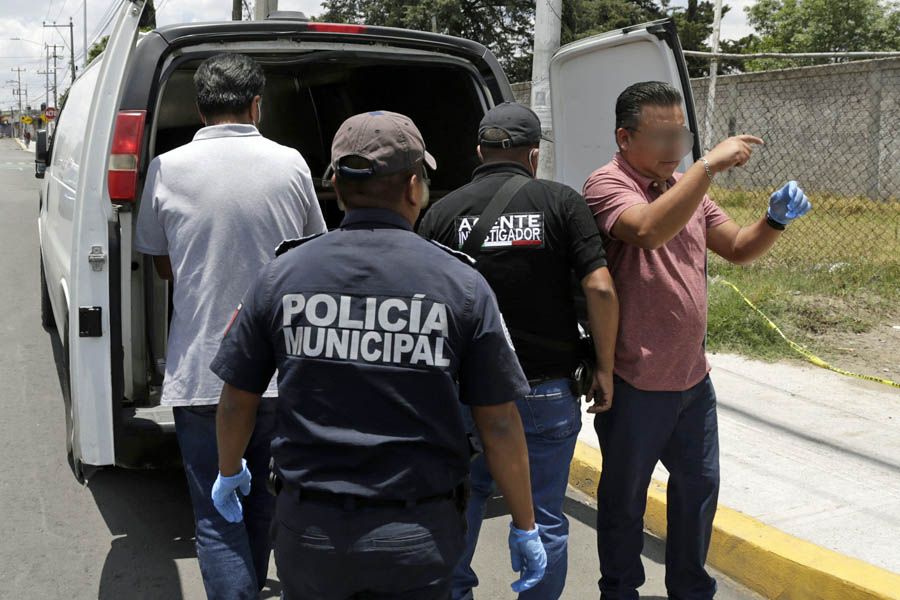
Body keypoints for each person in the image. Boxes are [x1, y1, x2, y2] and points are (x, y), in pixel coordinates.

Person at [210, 110, 548, 600]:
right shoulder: (461, 285)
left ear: (337, 188)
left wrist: (227, 471)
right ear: (414, 186)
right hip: (416, 538)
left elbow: (237, 398)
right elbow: (497, 422)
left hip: (311, 534)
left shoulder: (280, 277)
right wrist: (524, 523)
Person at [582, 81, 811, 600]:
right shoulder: (606, 184)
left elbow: (737, 247)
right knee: (624, 500)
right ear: (624, 137)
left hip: (692, 382)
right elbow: (644, 231)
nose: (676, 148)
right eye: (663, 136)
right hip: (635, 381)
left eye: (681, 135)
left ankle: (690, 590)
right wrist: (708, 167)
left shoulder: (685, 187)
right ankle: (620, 591)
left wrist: (773, 219)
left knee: (699, 492)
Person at [134, 53, 326, 599]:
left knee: (217, 516)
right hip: (282, 372)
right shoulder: (290, 163)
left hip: (203, 375)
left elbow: (161, 260)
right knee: (266, 501)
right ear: (256, 105)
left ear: (199, 109)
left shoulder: (168, 168)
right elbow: (309, 253)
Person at [418, 102, 619, 600]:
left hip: (464, 394)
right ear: (533, 156)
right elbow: (599, 288)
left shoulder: (441, 212)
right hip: (545, 391)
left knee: (459, 506)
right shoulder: (561, 203)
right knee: (544, 516)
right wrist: (606, 368)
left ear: (479, 151)